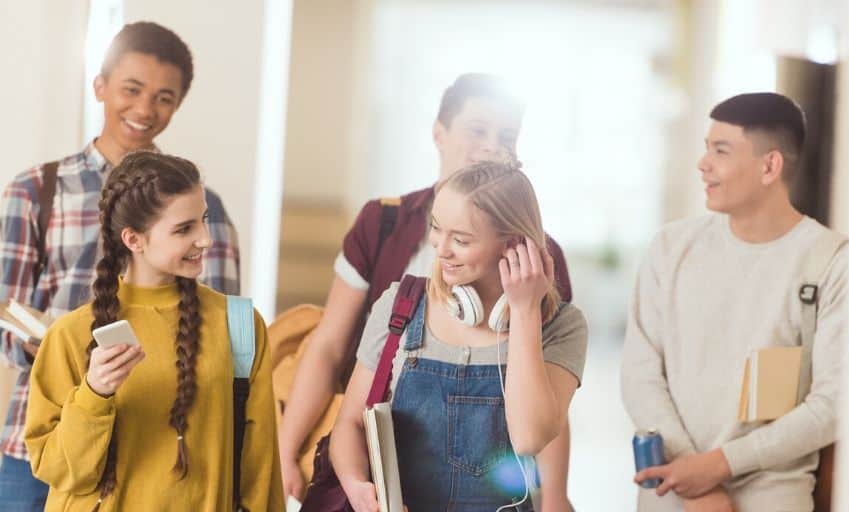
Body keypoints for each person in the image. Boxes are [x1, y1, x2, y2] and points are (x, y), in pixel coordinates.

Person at [279, 74, 576, 508]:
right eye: (478, 130)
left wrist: (556, 495)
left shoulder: (538, 268)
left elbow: (546, 406)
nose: (493, 145)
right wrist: (287, 448)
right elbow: (330, 346)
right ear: (439, 133)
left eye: (507, 135)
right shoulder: (387, 236)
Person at [0, 22, 239, 510]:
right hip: (39, 447)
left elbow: (226, 336)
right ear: (100, 86)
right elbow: (5, 311)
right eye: (132, 89)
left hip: (154, 452)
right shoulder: (35, 192)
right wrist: (69, 357)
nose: (145, 110)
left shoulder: (201, 208)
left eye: (164, 97)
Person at [621, 92, 849, 512]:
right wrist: (696, 481)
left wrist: (720, 466)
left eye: (720, 151)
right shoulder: (670, 249)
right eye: (706, 149)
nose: (702, 164)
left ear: (770, 166)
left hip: (772, 499)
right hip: (669, 493)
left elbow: (834, 403)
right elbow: (640, 373)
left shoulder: (832, 261)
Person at [24, 152, 282, 511]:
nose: (206, 239)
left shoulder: (239, 324)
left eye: (204, 220)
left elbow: (261, 468)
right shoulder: (69, 335)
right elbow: (59, 470)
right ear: (133, 239)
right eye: (184, 228)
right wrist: (95, 393)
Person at [331, 158, 587, 511]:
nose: (441, 248)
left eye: (461, 239)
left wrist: (525, 312)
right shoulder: (399, 306)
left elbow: (530, 437)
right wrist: (358, 487)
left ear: (514, 244)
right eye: (437, 228)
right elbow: (349, 423)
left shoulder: (561, 327)